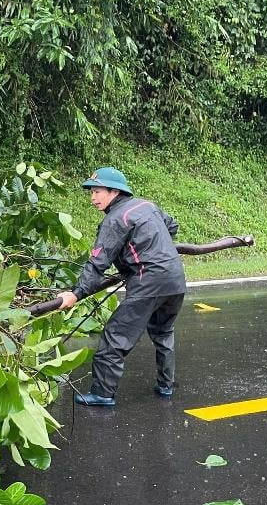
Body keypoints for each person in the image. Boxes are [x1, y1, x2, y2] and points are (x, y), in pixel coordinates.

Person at [55, 167, 186, 407]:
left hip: (149, 281)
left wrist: (75, 294)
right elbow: (172, 227)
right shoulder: (147, 206)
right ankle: (166, 385)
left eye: (97, 192)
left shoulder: (115, 220)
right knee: (163, 332)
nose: (93, 198)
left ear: (115, 191)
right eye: (91, 193)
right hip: (176, 279)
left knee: (115, 336)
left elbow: (97, 264)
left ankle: (103, 394)